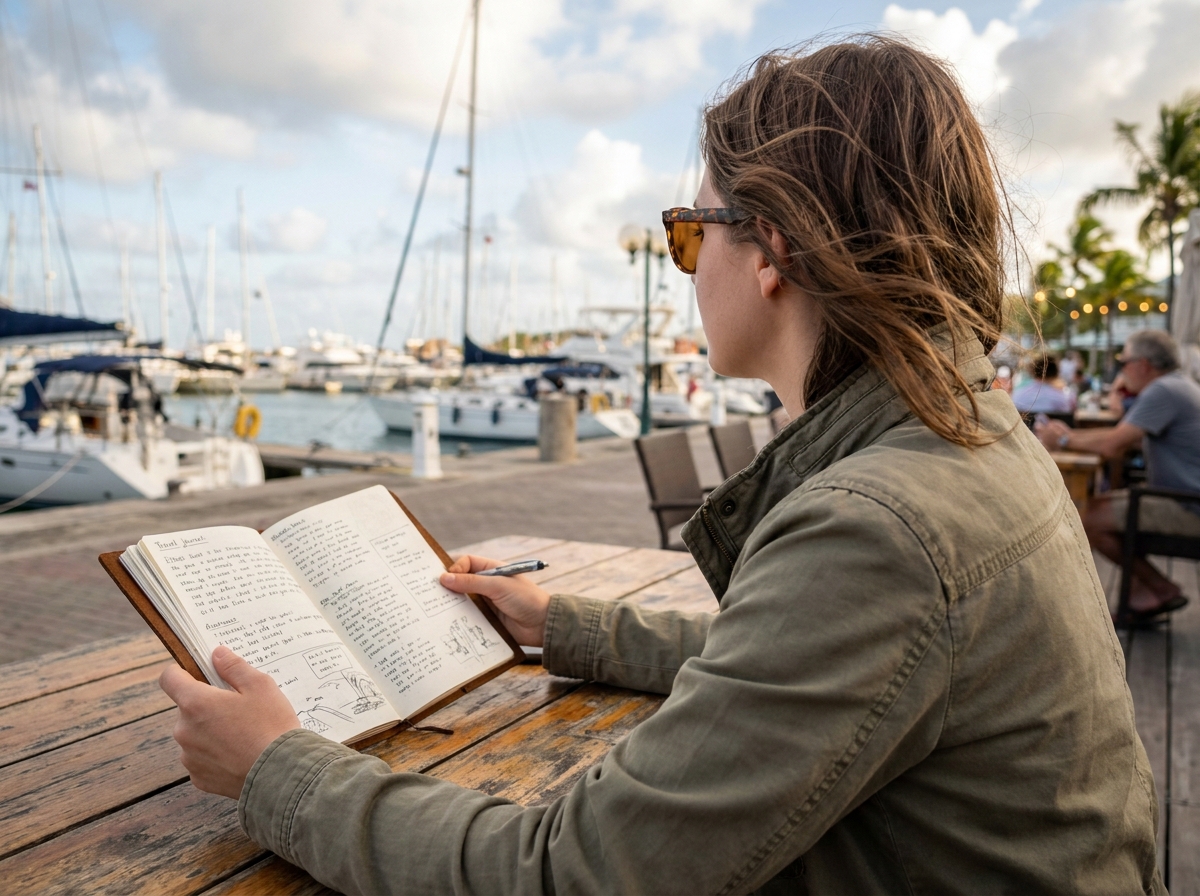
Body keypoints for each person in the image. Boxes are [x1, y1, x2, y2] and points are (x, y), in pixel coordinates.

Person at [159, 37, 1162, 894]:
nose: (686, 266)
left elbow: (573, 873)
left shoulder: (883, 521)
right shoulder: (967, 435)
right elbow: (783, 678)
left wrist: (273, 768)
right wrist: (565, 625)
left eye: (690, 234)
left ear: (769, 248)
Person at [1038, 328, 1200, 621]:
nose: (1121, 370)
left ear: (1143, 364)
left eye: (1123, 362)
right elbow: (1124, 438)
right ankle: (1148, 588)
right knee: (1099, 508)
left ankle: (1156, 588)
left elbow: (1113, 445)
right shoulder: (1178, 385)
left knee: (1089, 518)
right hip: (1183, 498)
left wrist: (1062, 439)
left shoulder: (1162, 390)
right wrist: (1071, 437)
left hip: (1188, 506)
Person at [1011, 353, 1075, 414]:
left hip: (1027, 425)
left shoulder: (1018, 393)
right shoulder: (1067, 396)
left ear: (1034, 371)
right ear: (1057, 373)